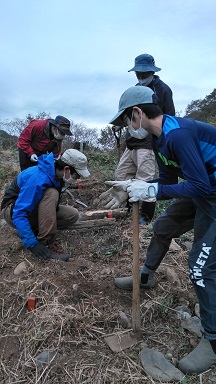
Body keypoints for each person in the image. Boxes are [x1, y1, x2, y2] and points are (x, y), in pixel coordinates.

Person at [105, 85, 216, 374]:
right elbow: (169, 179)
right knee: (164, 225)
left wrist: (153, 187)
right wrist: (137, 186)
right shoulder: (160, 139)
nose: (127, 128)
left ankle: (214, 341)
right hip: (205, 191)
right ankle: (145, 277)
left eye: (127, 120)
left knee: (201, 268)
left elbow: (200, 184)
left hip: (212, 194)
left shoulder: (178, 134)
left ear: (138, 113)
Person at [110, 54, 175, 224]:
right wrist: (122, 123)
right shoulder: (136, 89)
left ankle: (145, 217)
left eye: (144, 74)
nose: (141, 77)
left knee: (144, 179)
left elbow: (169, 116)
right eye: (138, 73)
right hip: (131, 142)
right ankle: (130, 208)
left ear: (152, 71)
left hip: (148, 143)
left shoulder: (163, 90)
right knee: (121, 175)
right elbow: (130, 113)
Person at [1, 149, 90, 262]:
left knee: (72, 215)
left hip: (30, 210)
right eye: (76, 176)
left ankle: (33, 230)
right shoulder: (38, 178)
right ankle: (45, 243)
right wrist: (33, 244)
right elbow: (19, 213)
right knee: (51, 193)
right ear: (66, 169)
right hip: (12, 212)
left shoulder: (57, 175)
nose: (77, 179)